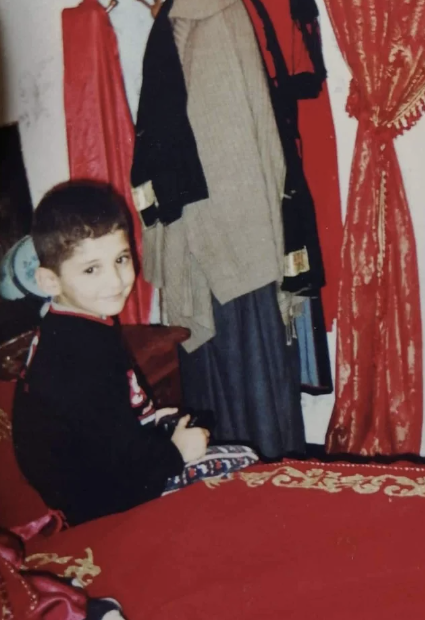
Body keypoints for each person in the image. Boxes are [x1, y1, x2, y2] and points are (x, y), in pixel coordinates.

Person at [12, 181, 257, 526]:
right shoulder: (80, 357)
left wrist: (150, 423)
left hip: (101, 476)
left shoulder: (72, 325)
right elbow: (119, 468)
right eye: (91, 269)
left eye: (121, 259)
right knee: (246, 464)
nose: (115, 281)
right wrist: (176, 451)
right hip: (103, 505)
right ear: (50, 281)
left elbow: (104, 422)